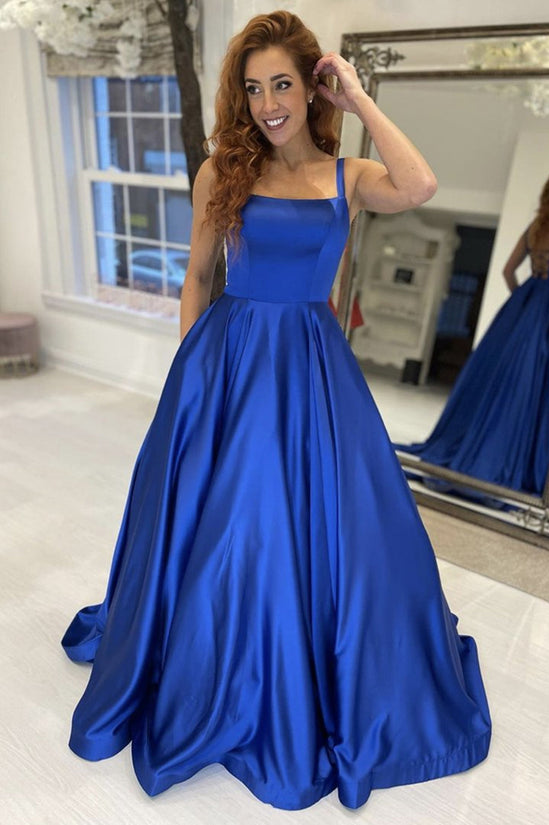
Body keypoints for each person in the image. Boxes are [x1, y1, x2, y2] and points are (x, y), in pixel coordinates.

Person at [61, 10, 491, 811]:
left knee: (326, 524)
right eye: (254, 89)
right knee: (224, 519)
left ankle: (299, 659)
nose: (268, 104)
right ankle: (214, 664)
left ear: (311, 86)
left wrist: (357, 99)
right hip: (226, 359)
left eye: (283, 84)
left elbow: (420, 185)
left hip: (312, 366)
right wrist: (188, 381)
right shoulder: (222, 171)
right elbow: (198, 278)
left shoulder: (347, 176)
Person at [396, 176, 549, 496]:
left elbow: (508, 271)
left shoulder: (535, 229)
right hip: (543, 310)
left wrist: (523, 302)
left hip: (526, 305)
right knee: (534, 385)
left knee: (506, 380)